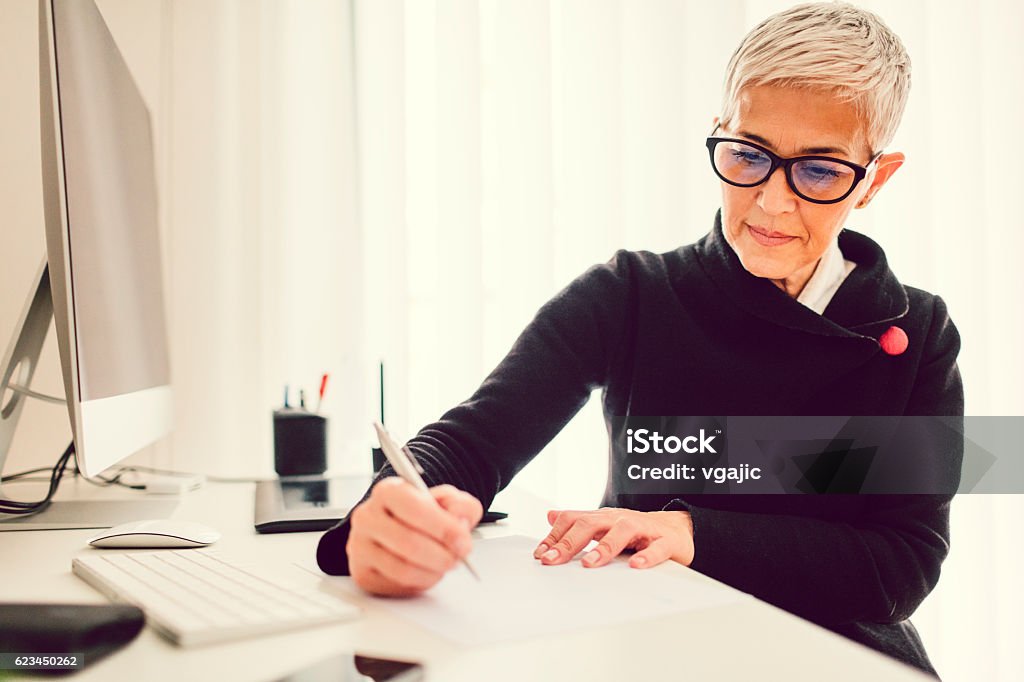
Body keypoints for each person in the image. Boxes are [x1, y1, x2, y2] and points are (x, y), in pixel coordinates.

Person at [317, 2, 961, 677]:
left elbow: (902, 564)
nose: (772, 201)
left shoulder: (920, 334)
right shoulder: (632, 292)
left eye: (820, 172)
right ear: (719, 134)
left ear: (876, 180)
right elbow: (473, 442)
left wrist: (689, 532)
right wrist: (390, 515)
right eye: (747, 155)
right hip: (652, 649)